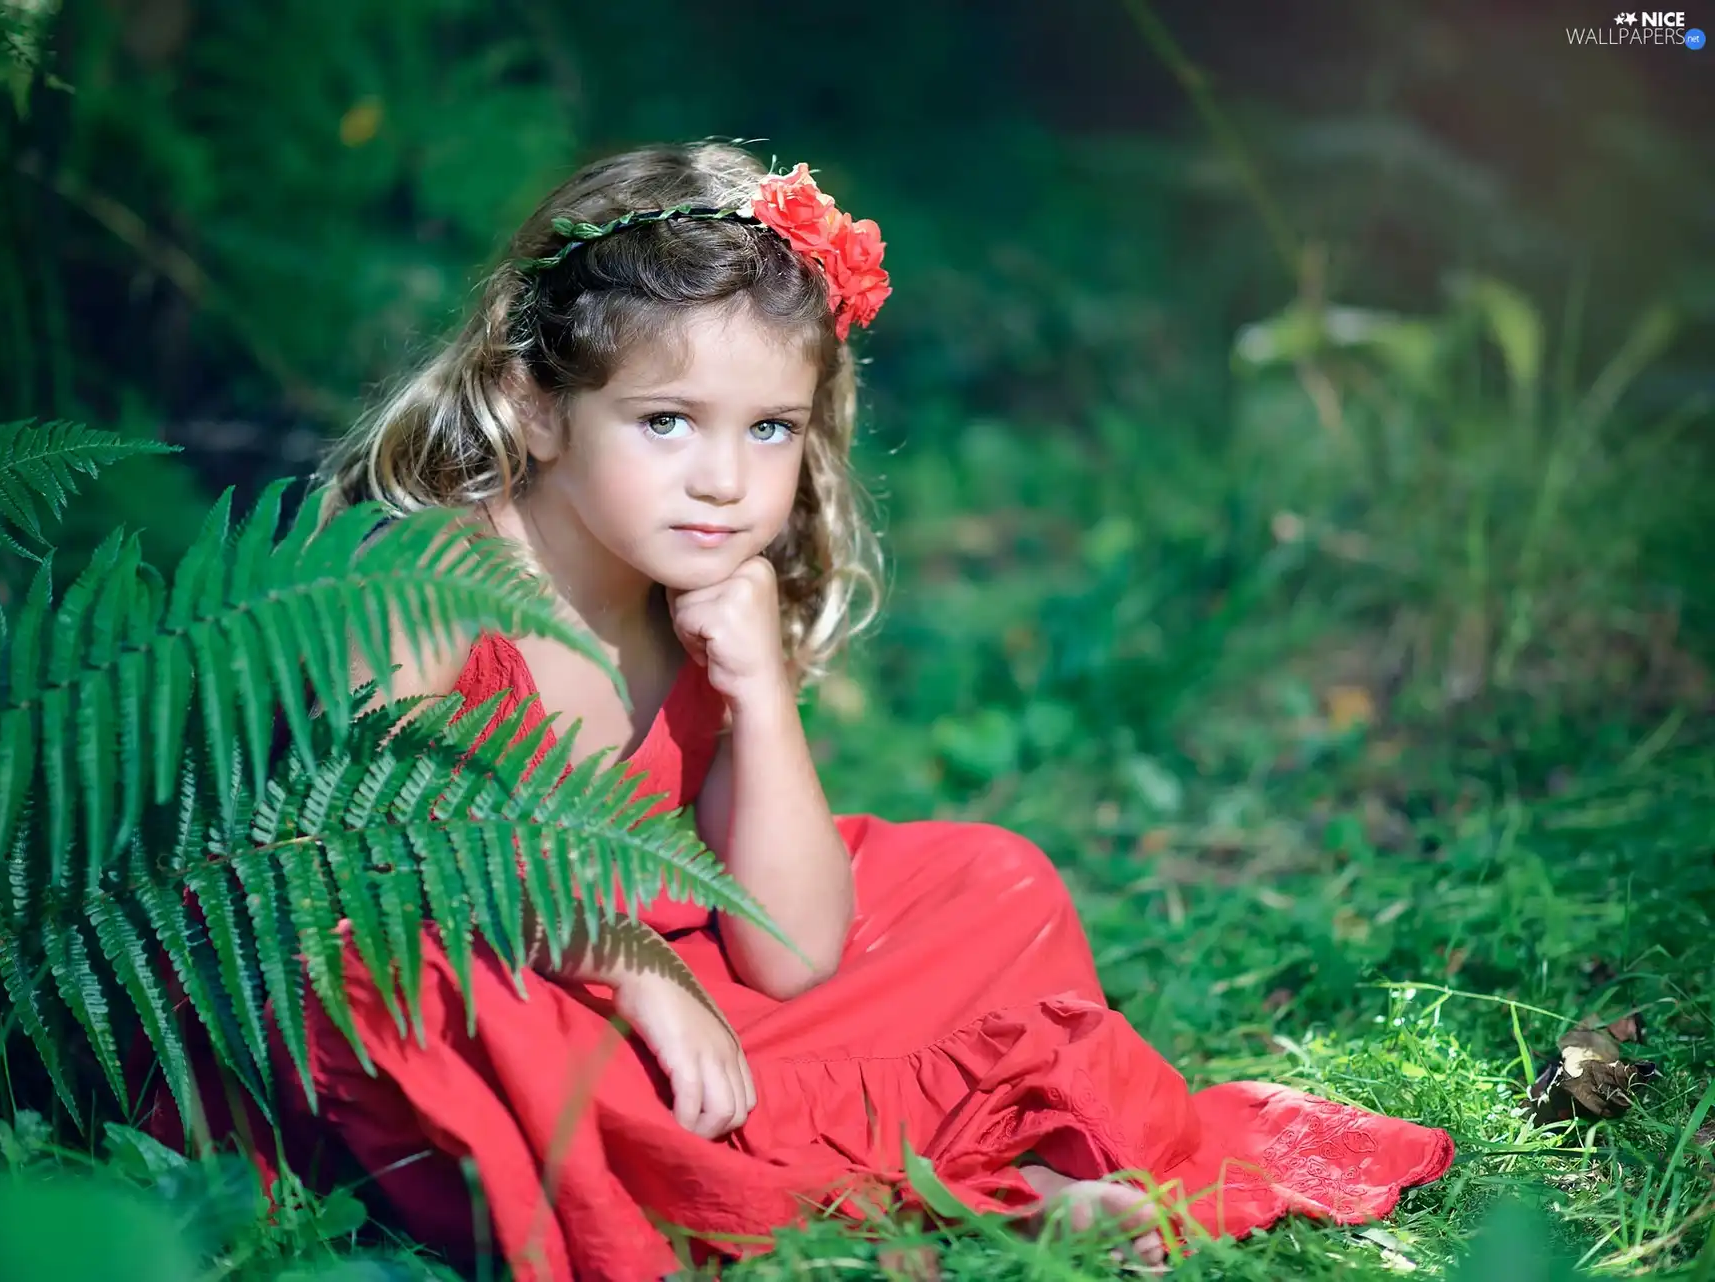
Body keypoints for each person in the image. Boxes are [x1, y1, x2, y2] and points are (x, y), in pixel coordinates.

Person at [152, 141, 1454, 1280]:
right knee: (468, 1017)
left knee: (992, 884)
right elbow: (371, 841)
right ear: (537, 405)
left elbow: (789, 953)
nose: (724, 479)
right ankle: (942, 1195)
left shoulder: (703, 590)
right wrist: (629, 967)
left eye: (770, 429)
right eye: (666, 420)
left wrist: (760, 696)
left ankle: (928, 1185)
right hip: (484, 973)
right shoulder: (437, 576)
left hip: (694, 984)